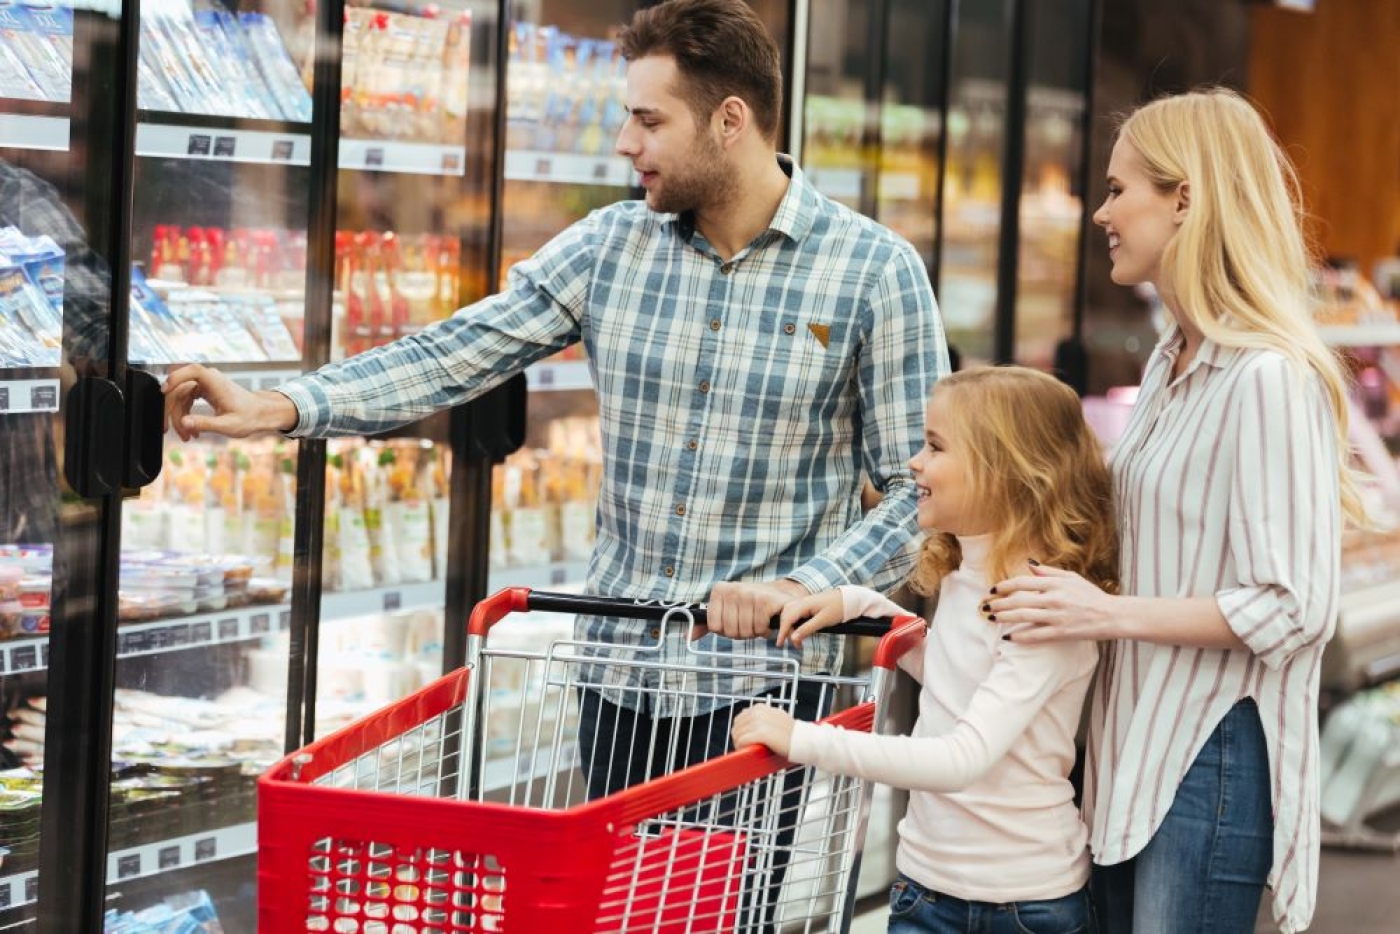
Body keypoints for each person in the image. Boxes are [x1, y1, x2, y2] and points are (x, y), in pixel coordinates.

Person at [163, 0, 945, 918]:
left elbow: (915, 490)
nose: (624, 143)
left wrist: (808, 589)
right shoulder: (613, 246)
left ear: (732, 120)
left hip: (762, 697)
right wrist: (285, 405)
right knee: (614, 915)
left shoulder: (871, 271)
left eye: (650, 120)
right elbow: (454, 351)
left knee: (718, 918)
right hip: (614, 677)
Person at [984, 89, 1366, 934]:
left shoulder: (1267, 378)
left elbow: (1295, 603)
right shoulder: (1170, 364)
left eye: (1121, 190)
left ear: (1185, 198)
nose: (1100, 212)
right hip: (1132, 744)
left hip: (1208, 754)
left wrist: (1109, 612)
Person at [733, 365, 1115, 934]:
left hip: (1022, 906)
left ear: (1006, 470)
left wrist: (803, 740)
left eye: (935, 446)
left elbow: (960, 758)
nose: (914, 462)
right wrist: (860, 603)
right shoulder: (969, 576)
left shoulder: (1040, 606)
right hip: (924, 887)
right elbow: (955, 674)